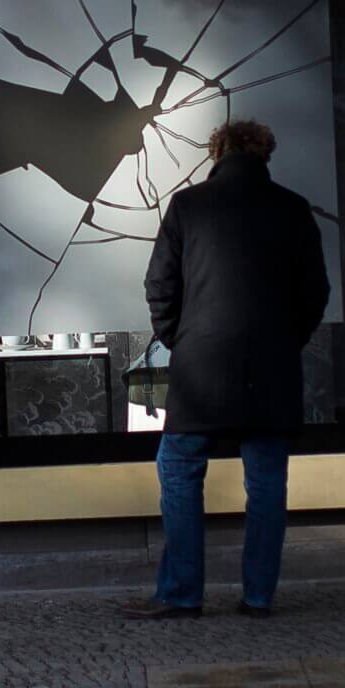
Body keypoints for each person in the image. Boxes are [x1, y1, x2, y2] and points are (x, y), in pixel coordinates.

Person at [122, 118, 330, 620]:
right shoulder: (294, 209)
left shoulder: (188, 206)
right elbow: (315, 292)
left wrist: (181, 338)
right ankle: (259, 595)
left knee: (178, 468)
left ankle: (181, 592)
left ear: (217, 153)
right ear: (266, 154)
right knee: (265, 480)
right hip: (272, 365)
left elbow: (159, 286)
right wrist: (286, 341)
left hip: (202, 368)